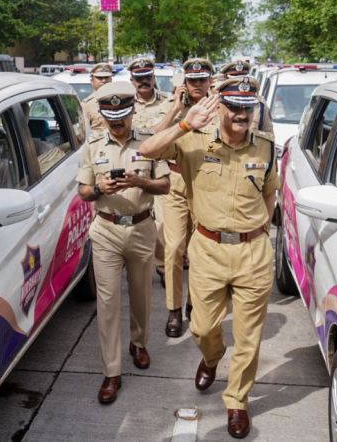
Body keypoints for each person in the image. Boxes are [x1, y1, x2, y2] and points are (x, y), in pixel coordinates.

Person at [140, 76, 278, 438]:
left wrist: (259, 230)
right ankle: (211, 357)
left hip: (253, 252)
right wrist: (184, 123)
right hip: (208, 249)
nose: (240, 115)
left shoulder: (265, 147)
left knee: (248, 337)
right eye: (232, 107)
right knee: (202, 327)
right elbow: (147, 151)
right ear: (219, 107)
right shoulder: (194, 141)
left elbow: (269, 193)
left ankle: (237, 401)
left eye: (247, 109)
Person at [76, 81, 171, 404]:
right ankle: (111, 371)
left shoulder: (149, 143)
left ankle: (139, 343)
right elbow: (84, 192)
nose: (117, 121)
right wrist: (101, 188)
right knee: (108, 301)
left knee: (142, 296)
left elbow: (165, 186)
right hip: (106, 231)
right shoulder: (93, 146)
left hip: (142, 228)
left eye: (122, 115)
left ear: (132, 112)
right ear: (102, 115)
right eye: (110, 115)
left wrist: (139, 180)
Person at [152, 57, 215, 337]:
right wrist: (177, 110)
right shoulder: (172, 106)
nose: (197, 86)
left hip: (208, 186)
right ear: (184, 83)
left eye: (202, 80)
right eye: (192, 81)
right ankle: (174, 310)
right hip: (177, 184)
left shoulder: (220, 106)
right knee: (174, 247)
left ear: (210, 81)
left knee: (200, 251)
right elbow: (152, 142)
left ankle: (192, 303)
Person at [126, 57, 172, 289]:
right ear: (131, 80)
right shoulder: (123, 104)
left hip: (162, 168)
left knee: (162, 224)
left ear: (154, 78)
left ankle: (163, 267)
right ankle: (138, 265)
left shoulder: (168, 102)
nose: (144, 81)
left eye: (148, 77)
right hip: (133, 169)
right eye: (139, 78)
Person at [219, 59, 273, 135]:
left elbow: (268, 133)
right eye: (234, 79)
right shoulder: (215, 103)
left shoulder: (260, 104)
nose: (240, 81)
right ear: (225, 79)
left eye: (243, 77)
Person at [81, 62, 114, 134]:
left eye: (106, 77)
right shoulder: (86, 105)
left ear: (111, 80)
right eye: (100, 78)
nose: (104, 81)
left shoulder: (121, 100)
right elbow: (83, 134)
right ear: (91, 81)